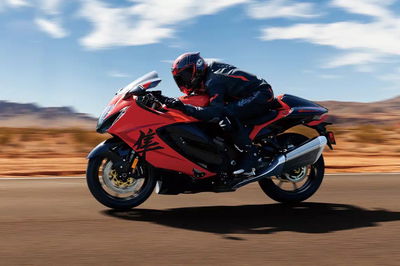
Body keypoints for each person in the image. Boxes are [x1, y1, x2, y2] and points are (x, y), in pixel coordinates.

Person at [161, 52, 274, 177]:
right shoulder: (205, 77)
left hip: (261, 94)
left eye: (187, 75)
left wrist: (185, 108)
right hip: (243, 95)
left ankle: (251, 156)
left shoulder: (214, 80)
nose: (184, 80)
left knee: (225, 113)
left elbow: (215, 111)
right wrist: (164, 100)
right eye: (181, 78)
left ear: (197, 68)